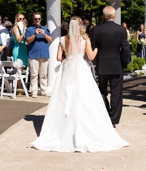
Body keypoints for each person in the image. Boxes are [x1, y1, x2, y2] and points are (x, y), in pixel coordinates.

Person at [29, 17, 128, 152]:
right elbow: (92, 56)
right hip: (81, 68)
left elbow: (58, 58)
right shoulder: (84, 39)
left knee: (64, 96)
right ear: (81, 26)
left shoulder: (62, 40)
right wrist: (98, 48)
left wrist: (69, 57)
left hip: (67, 68)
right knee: (84, 97)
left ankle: (63, 128)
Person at [91, 6, 131, 127]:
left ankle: (104, 114)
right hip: (116, 64)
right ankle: (113, 119)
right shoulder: (120, 30)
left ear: (104, 16)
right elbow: (125, 49)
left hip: (102, 64)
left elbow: (94, 47)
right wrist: (124, 62)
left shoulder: (97, 29)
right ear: (114, 16)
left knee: (102, 91)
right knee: (116, 93)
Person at [25, 12, 52, 96]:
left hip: (44, 54)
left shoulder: (45, 29)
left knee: (43, 74)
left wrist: (44, 34)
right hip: (33, 55)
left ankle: (43, 90)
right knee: (34, 74)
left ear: (41, 19)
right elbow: (27, 41)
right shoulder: (29, 29)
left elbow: (50, 39)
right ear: (33, 20)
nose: (37, 20)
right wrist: (35, 34)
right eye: (35, 19)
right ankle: (34, 91)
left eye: (39, 19)